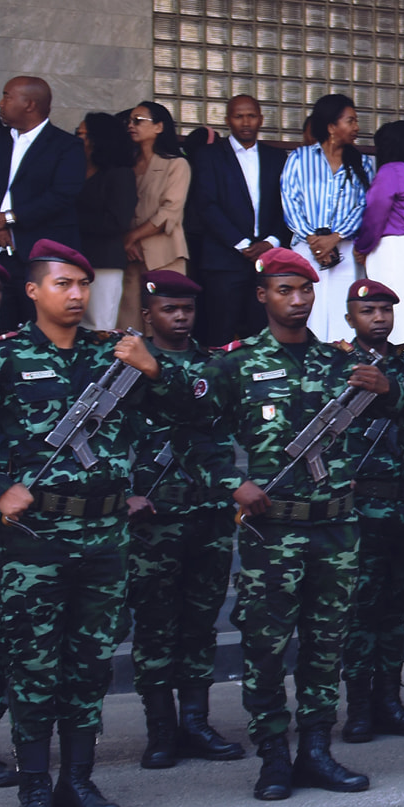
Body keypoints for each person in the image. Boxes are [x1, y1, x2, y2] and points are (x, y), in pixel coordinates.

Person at [196, 247, 395, 801]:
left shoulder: (340, 364)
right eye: (285, 290)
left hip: (334, 528)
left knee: (325, 645)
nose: (298, 300)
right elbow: (197, 433)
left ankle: (316, 750)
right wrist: (230, 483)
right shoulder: (234, 364)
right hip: (273, 530)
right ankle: (273, 757)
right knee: (265, 646)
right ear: (263, 295)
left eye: (305, 290)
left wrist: (389, 390)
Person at [0, 244, 178, 807]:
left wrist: (153, 368)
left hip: (104, 534)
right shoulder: (9, 358)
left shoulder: (117, 355)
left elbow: (193, 414)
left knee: (90, 661)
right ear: (34, 291)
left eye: (82, 283)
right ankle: (32, 789)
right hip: (34, 537)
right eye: (62, 284)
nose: (76, 294)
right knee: (32, 663)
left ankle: (77, 780)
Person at [124, 269, 246, 771]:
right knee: (155, 624)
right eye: (169, 309)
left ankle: (195, 723)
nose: (179, 317)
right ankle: (160, 730)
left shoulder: (212, 365)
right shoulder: (120, 365)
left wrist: (157, 371)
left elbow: (201, 407)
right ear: (147, 313)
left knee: (200, 623)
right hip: (154, 517)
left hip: (210, 511)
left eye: (187, 310)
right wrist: (122, 494)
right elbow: (104, 435)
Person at [333, 278, 404, 743]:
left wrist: (392, 387)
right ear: (350, 318)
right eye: (368, 311)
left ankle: (390, 701)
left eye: (385, 310)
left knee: (396, 608)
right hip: (361, 504)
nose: (378, 318)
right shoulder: (334, 364)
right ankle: (358, 708)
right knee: (361, 609)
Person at [186, 93, 285, 346]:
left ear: (261, 119)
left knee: (263, 333)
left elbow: (286, 206)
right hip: (223, 260)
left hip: (267, 261)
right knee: (220, 331)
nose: (245, 122)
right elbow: (206, 205)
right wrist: (242, 244)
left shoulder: (277, 158)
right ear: (228, 120)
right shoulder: (209, 156)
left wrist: (270, 242)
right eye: (239, 116)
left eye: (251, 116)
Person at [279, 93, 376, 343]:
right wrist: (313, 239)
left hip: (344, 248)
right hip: (306, 248)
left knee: (344, 308)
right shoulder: (299, 159)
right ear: (332, 126)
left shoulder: (363, 163)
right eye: (350, 121)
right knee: (308, 307)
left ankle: (341, 367)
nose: (356, 127)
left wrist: (335, 237)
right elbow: (290, 202)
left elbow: (364, 205)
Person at [0, 77, 86, 326]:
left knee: (40, 329)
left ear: (29, 104)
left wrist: (8, 220)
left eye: (7, 96)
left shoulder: (67, 146)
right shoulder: (2, 139)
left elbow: (62, 195)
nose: (1, 103)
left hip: (40, 256)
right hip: (0, 256)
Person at [356, 121, 404, 345]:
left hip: (395, 252)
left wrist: (362, 246)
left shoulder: (391, 171)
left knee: (396, 327)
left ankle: (399, 378)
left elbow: (375, 212)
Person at [121, 102, 191, 331]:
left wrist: (132, 237)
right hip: (131, 258)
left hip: (165, 255)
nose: (131, 125)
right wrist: (128, 240)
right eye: (129, 121)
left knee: (166, 325)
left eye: (138, 120)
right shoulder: (126, 165)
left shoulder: (176, 163)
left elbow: (169, 211)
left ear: (159, 127)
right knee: (129, 325)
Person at [74, 112, 137, 330]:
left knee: (99, 326)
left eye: (82, 134)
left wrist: (70, 219)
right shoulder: (75, 171)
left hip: (103, 261)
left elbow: (117, 220)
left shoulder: (120, 175)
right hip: (74, 259)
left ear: (98, 139)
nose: (77, 138)